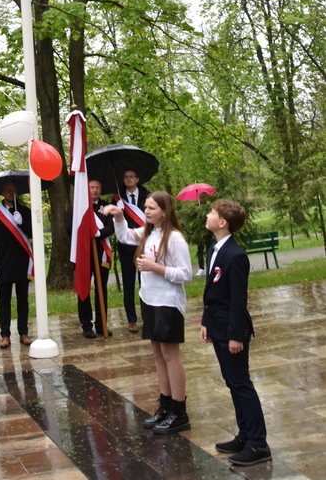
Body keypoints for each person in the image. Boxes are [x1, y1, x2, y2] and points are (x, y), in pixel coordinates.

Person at [103, 191, 192, 433]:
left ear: (165, 211)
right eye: (146, 207)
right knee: (157, 352)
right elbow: (124, 236)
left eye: (152, 207)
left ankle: (179, 410)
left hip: (168, 302)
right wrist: (120, 215)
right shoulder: (149, 233)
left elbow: (186, 273)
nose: (147, 210)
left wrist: (156, 267)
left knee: (170, 355)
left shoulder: (174, 238)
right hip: (150, 300)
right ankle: (165, 403)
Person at [201, 200, 271, 467]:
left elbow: (238, 300)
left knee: (241, 384)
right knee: (231, 382)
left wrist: (236, 336)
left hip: (232, 329)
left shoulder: (236, 255)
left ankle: (258, 444)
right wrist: (206, 322)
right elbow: (212, 294)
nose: (207, 215)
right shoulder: (214, 251)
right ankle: (244, 434)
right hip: (217, 325)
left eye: (212, 213)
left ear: (222, 223)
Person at [0, 181, 33, 349]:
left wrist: (22, 223)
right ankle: (5, 335)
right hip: (3, 264)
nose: (11, 192)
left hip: (22, 262)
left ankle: (24, 332)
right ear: (3, 192)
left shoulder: (25, 211)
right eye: (8, 189)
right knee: (4, 301)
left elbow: (33, 233)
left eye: (14, 189)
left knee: (23, 300)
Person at [77, 179, 115, 339]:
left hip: (101, 253)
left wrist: (99, 233)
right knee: (84, 289)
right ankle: (86, 325)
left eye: (98, 188)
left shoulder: (106, 206)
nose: (94, 190)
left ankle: (101, 324)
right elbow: (70, 228)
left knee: (102, 288)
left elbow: (112, 227)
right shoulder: (79, 207)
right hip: (84, 253)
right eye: (92, 187)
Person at [113, 169, 148, 332]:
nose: (128, 179)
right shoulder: (117, 198)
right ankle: (131, 320)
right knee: (128, 283)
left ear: (137, 179)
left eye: (131, 177)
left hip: (144, 244)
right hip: (126, 246)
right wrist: (118, 211)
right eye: (126, 177)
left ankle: (147, 316)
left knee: (146, 282)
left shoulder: (148, 197)